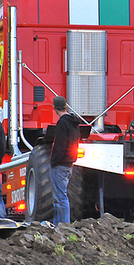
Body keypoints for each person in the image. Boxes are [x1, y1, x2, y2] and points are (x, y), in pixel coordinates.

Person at [50, 96, 80, 225]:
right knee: (60, 197)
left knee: (60, 198)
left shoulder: (62, 123)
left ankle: (63, 226)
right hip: (69, 163)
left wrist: (54, 161)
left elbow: (60, 145)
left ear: (55, 108)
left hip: (60, 165)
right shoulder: (74, 123)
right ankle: (59, 225)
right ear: (66, 106)